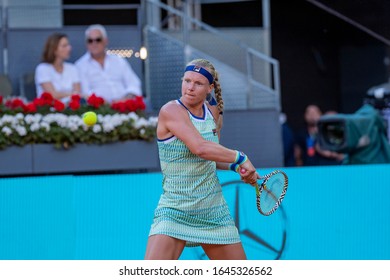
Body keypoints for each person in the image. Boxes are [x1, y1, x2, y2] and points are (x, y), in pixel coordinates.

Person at [144, 59, 260, 260]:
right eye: (187, 81)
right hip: (175, 209)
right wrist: (241, 158)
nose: (190, 88)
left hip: (213, 211)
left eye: (198, 83)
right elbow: (200, 148)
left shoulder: (212, 111)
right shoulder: (170, 111)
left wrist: (236, 167)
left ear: (210, 88)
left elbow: (212, 158)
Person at [75, 24, 142, 103]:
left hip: (125, 106)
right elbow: (85, 92)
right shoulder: (80, 66)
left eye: (98, 40)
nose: (94, 43)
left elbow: (134, 84)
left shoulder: (118, 60)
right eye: (90, 41)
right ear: (86, 44)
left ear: (106, 41)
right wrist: (104, 103)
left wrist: (125, 99)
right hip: (99, 110)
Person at [35, 33, 81, 103]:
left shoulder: (72, 68)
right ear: (54, 50)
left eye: (68, 45)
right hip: (49, 112)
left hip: (71, 111)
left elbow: (77, 94)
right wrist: (71, 93)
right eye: (64, 46)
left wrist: (63, 95)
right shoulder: (42, 69)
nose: (69, 48)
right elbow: (52, 95)